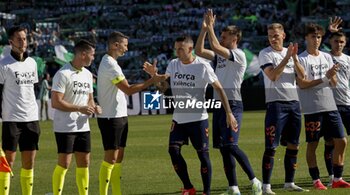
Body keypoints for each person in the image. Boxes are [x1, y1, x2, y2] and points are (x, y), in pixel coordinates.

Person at [144, 35, 237, 195]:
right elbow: (163, 87)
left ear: (189, 49)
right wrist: (154, 77)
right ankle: (188, 187)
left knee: (203, 156)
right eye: (176, 48)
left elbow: (220, 89)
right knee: (173, 151)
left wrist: (229, 112)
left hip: (198, 120)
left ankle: (206, 192)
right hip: (178, 119)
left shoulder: (203, 66)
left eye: (180, 48)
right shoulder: (173, 64)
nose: (177, 51)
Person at [195, 9, 262, 195]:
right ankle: (233, 187)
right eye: (221, 36)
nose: (221, 39)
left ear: (234, 38)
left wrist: (210, 29)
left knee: (231, 145)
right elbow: (199, 50)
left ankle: (254, 180)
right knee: (223, 149)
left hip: (232, 103)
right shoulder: (220, 55)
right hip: (218, 104)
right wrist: (203, 30)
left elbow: (215, 46)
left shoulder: (239, 54)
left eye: (224, 36)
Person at [97, 31, 162, 195]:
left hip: (119, 116)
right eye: (125, 45)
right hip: (110, 117)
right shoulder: (109, 64)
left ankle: (117, 192)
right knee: (111, 158)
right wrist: (152, 80)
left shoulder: (112, 63)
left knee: (118, 158)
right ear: (115, 45)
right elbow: (128, 89)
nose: (127, 48)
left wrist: (153, 77)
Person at [297, 23, 350, 190]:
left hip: (331, 106)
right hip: (313, 108)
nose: (316, 40)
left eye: (319, 37)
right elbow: (302, 84)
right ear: (306, 38)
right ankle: (316, 180)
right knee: (313, 145)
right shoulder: (302, 58)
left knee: (341, 140)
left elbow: (333, 84)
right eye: (313, 36)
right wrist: (325, 78)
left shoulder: (327, 57)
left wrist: (332, 76)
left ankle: (337, 178)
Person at [257, 23, 307, 194]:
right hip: (276, 104)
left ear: (283, 35)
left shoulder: (291, 53)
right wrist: (286, 58)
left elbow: (302, 75)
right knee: (271, 146)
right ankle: (266, 186)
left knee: (294, 145)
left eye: (276, 35)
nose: (273, 38)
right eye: (270, 35)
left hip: (294, 103)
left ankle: (289, 182)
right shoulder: (265, 54)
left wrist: (293, 58)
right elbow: (272, 76)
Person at [51, 39, 101, 195]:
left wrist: (94, 106)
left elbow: (90, 98)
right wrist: (80, 108)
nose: (93, 58)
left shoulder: (87, 74)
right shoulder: (62, 74)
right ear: (83, 54)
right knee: (64, 163)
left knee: (84, 163)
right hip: (64, 126)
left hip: (83, 126)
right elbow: (56, 102)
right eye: (92, 55)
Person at [0, 26, 40, 195]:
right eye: (19, 39)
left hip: (31, 118)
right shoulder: (3, 64)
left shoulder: (32, 63)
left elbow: (34, 89)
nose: (23, 42)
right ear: (11, 42)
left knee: (29, 162)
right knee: (8, 161)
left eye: (25, 38)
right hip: (11, 119)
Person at [323, 16, 350, 187]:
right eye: (335, 41)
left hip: (347, 103)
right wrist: (328, 32)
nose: (338, 44)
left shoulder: (348, 60)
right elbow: (313, 47)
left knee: (341, 142)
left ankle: (336, 175)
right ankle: (332, 175)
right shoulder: (325, 57)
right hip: (330, 105)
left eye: (341, 41)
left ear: (345, 43)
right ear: (330, 42)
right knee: (331, 142)